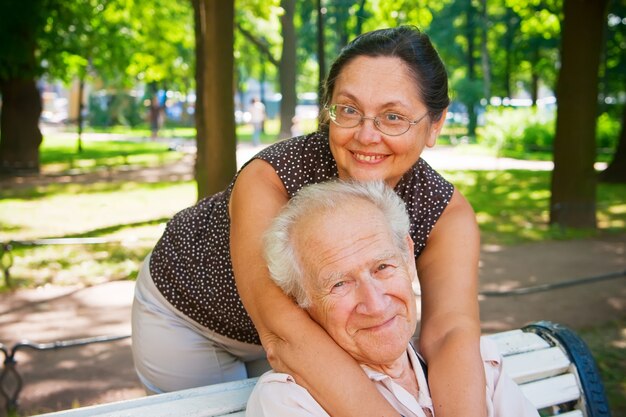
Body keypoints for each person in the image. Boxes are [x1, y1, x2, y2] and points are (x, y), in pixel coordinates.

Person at [132, 25, 484, 416]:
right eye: (349, 110)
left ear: (435, 124)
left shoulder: (444, 211)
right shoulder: (272, 176)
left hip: (315, 335)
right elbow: (283, 334)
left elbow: (451, 332)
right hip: (190, 318)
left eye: (393, 116)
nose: (367, 135)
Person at [247, 180, 539, 417]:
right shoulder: (288, 403)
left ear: (408, 258)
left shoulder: (483, 369)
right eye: (339, 284)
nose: (375, 304)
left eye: (383, 267)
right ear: (302, 300)